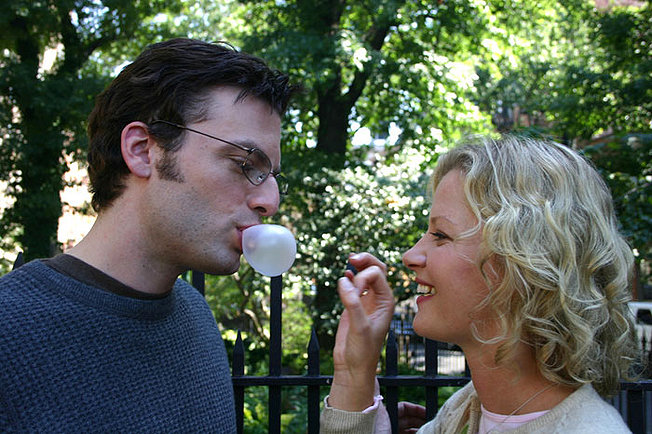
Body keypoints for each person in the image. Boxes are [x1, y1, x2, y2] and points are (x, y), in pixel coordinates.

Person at [0, 38, 297, 432]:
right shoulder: (9, 333)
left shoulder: (196, 318)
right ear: (142, 150)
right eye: (244, 164)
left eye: (271, 175)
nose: (270, 201)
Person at [320, 135, 640, 433]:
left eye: (441, 235)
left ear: (526, 261)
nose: (411, 255)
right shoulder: (464, 411)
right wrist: (353, 373)